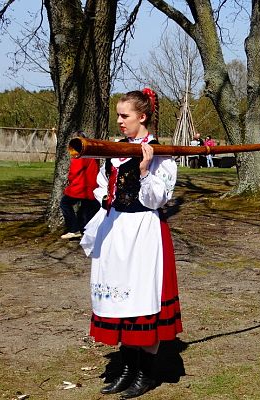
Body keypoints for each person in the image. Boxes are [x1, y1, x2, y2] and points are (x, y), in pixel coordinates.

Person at [80, 88, 182, 399]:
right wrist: (107, 200)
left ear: (143, 116)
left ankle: (145, 373)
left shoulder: (160, 153)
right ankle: (126, 366)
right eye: (118, 116)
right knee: (120, 300)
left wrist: (143, 172)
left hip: (143, 231)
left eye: (125, 116)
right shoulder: (115, 148)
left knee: (142, 299)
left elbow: (156, 199)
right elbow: (102, 186)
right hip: (116, 230)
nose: (120, 121)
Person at [60, 131, 100, 239]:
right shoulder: (93, 152)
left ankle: (74, 229)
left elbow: (74, 172)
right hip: (90, 187)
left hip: (81, 186)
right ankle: (87, 232)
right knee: (86, 210)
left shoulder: (80, 154)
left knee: (65, 203)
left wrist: (70, 180)